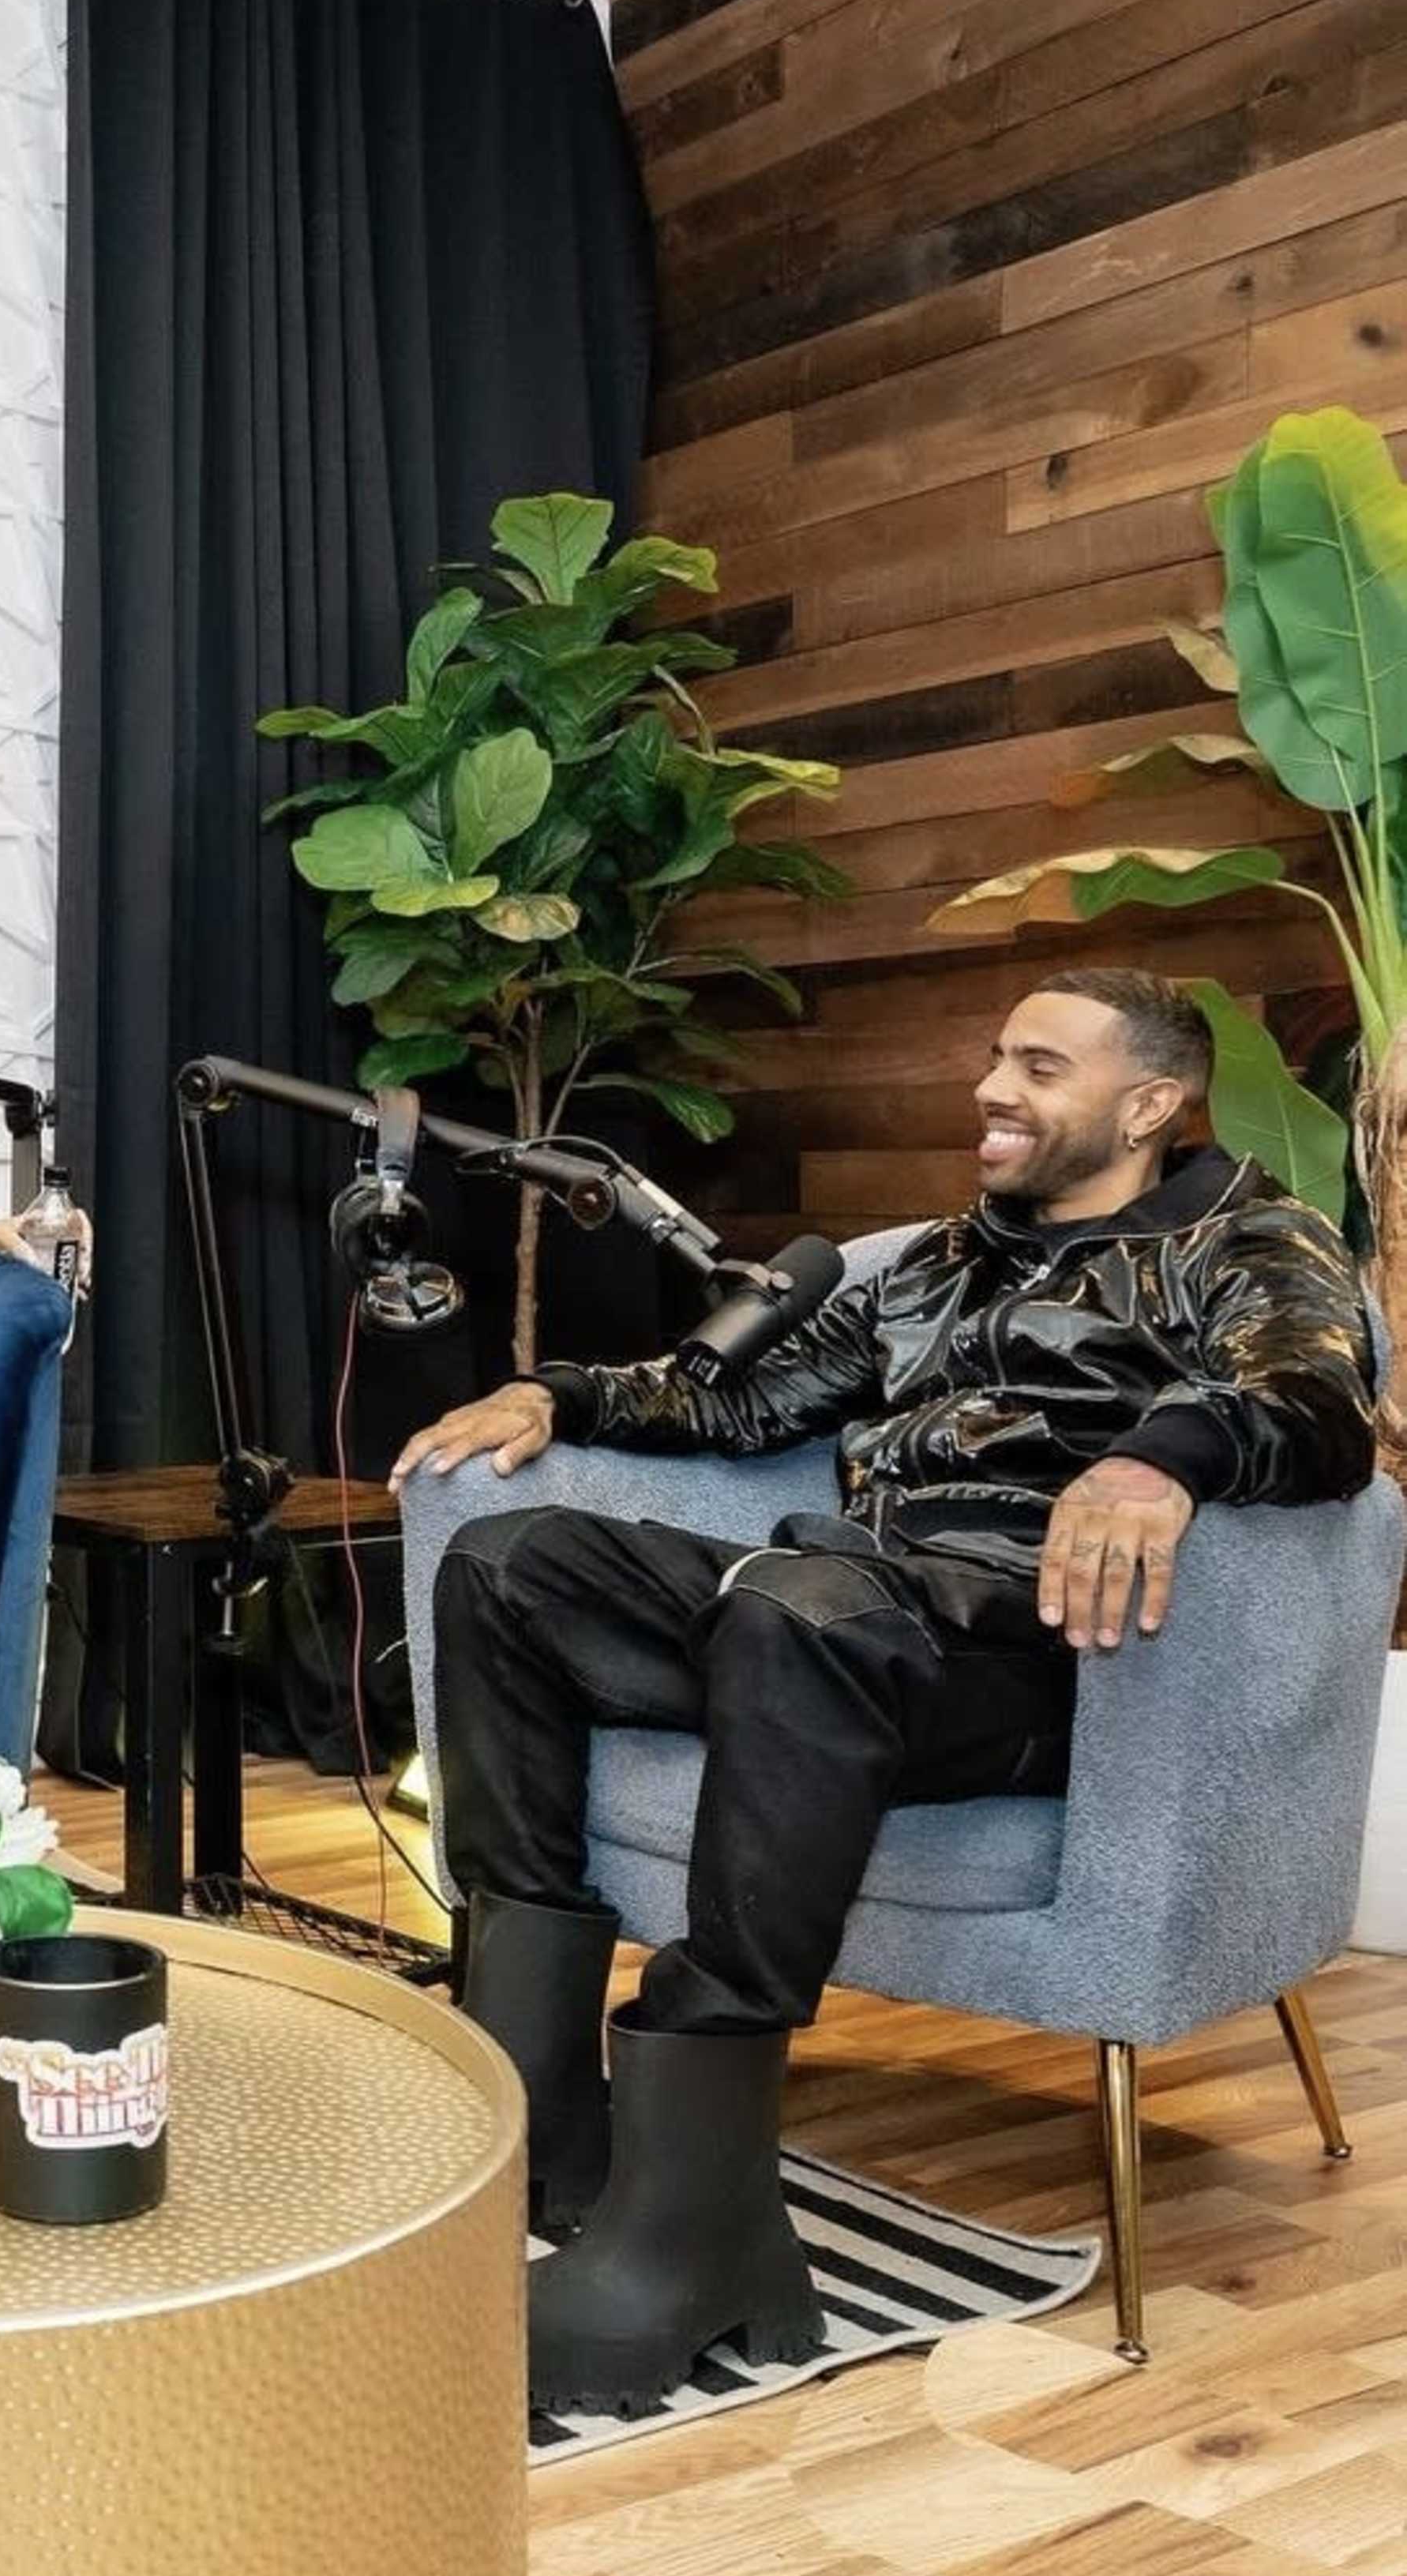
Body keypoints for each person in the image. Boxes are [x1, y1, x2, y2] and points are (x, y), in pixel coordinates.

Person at [392, 969, 1376, 2419]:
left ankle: (704, 2227)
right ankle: (548, 2115)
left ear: (1150, 1103)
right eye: (995, 1056)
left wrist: (1158, 1456)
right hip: (845, 1614)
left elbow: (1319, 1403)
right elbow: (743, 1402)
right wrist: (565, 1396)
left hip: (1046, 1663)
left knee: (800, 1604)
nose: (992, 1086)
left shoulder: (1246, 1239)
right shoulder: (941, 1259)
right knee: (505, 1563)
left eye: (1040, 1067)